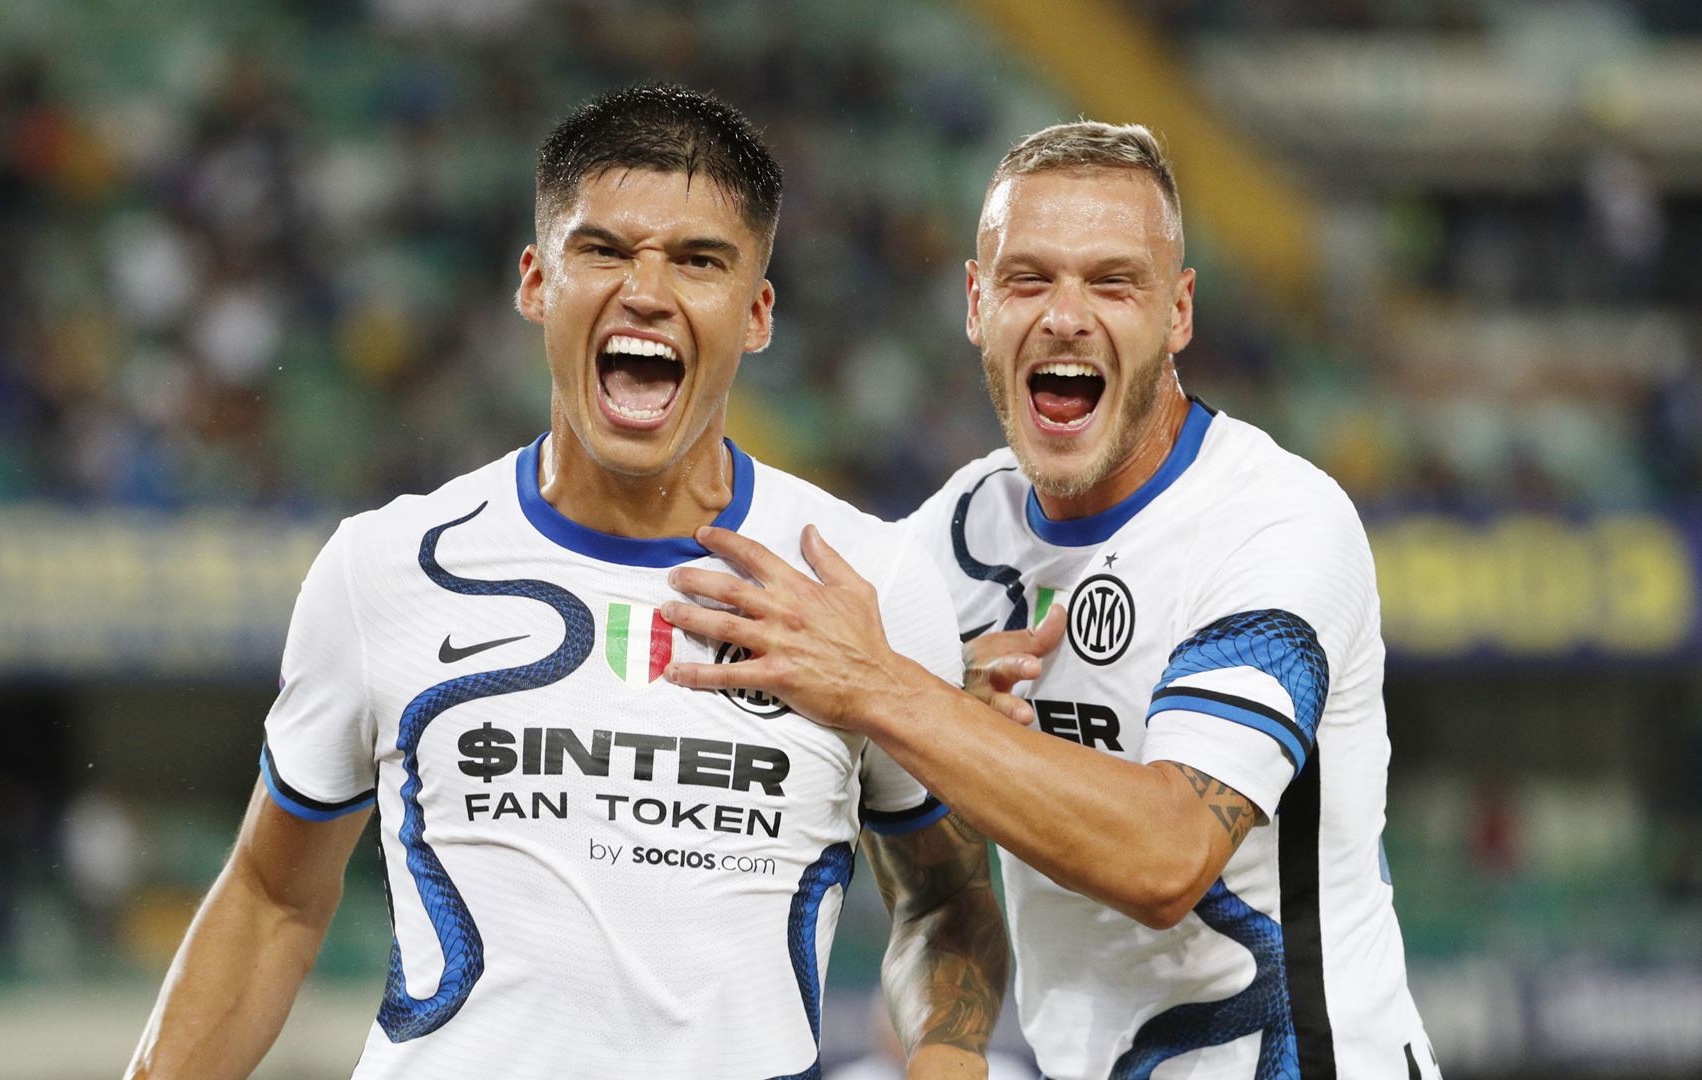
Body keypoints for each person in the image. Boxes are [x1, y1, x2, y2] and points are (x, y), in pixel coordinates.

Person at [124, 84, 1008, 1080]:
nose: (647, 291)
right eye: (604, 251)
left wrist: (947, 1061)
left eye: (699, 261)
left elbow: (945, 898)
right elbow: (271, 898)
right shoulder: (385, 568)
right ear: (537, 282)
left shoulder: (867, 583)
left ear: (757, 314)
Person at [662, 122, 1440, 1078]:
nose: (1066, 316)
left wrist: (900, 694)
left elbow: (1168, 858)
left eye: (1113, 283)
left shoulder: (1275, 522)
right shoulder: (952, 537)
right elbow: (921, 867)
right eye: (1028, 279)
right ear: (976, 303)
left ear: (1179, 312)